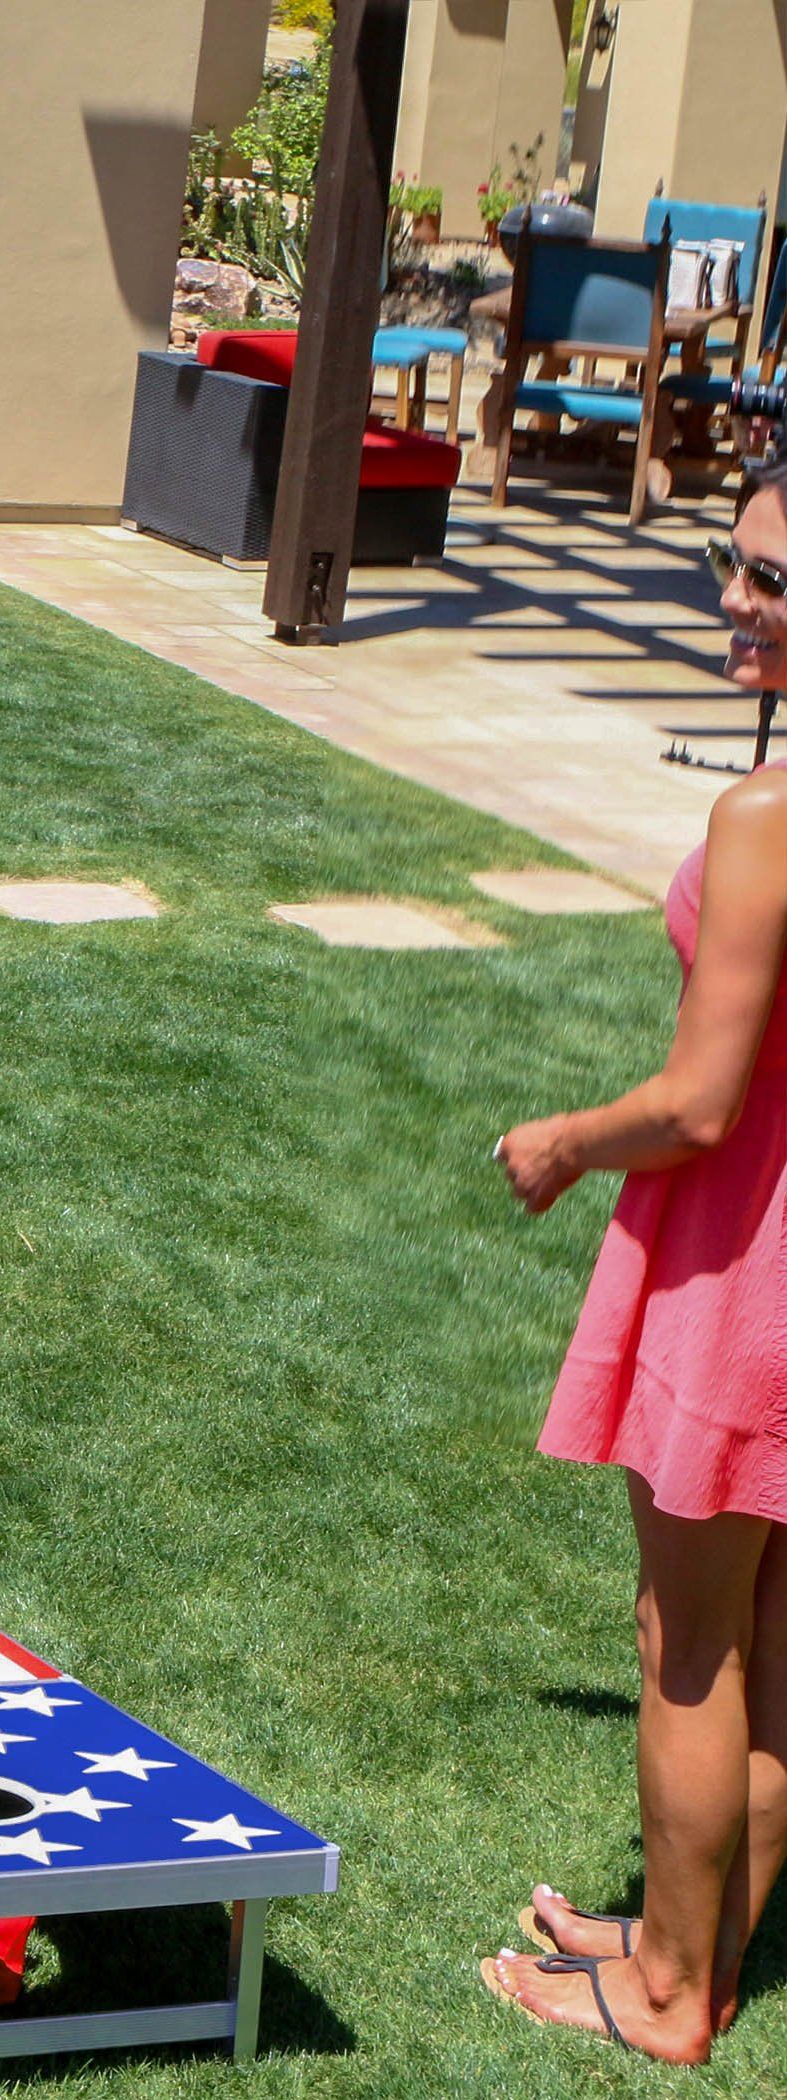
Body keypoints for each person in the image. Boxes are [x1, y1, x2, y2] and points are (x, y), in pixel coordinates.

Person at [484, 463, 787, 2063]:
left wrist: (563, 1141)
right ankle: (700, 1954)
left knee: (690, 1645)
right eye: (732, 563)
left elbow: (701, 1102)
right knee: (772, 1647)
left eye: (772, 581)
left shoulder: (766, 817)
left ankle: (667, 1993)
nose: (734, 598)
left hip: (747, 1274)